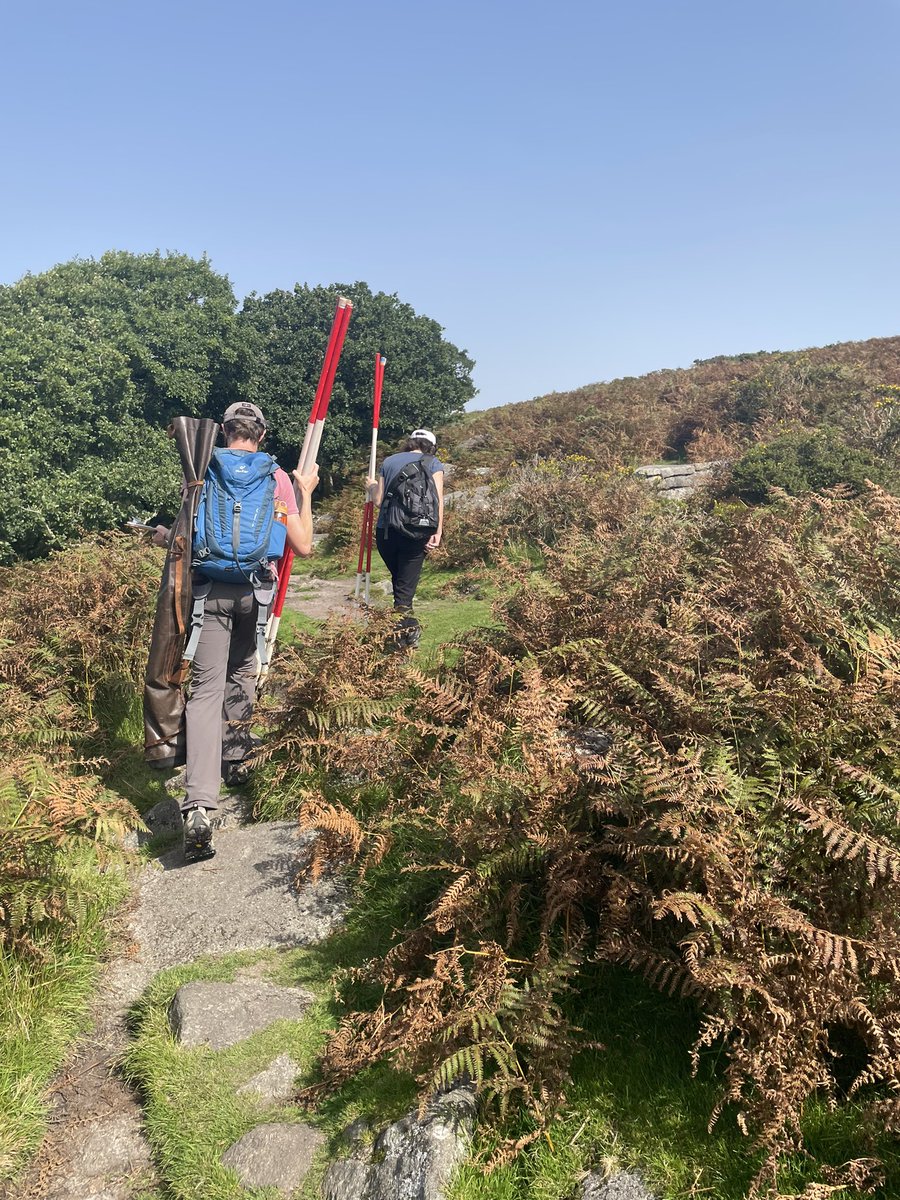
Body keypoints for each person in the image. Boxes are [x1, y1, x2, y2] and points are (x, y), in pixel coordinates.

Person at [152, 401, 318, 860]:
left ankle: (200, 805)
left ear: (223, 433)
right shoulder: (276, 477)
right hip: (255, 593)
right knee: (242, 670)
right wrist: (304, 492)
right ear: (261, 436)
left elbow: (185, 535)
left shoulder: (200, 472)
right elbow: (302, 547)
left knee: (205, 692)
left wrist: (161, 535)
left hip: (208, 593)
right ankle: (238, 757)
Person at [368, 428, 444, 649]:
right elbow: (438, 500)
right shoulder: (433, 463)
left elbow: (379, 500)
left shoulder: (389, 461)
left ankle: (404, 631)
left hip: (386, 532)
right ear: (431, 446)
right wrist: (437, 532)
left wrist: (372, 486)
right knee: (404, 590)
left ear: (410, 442)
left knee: (401, 584)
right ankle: (404, 637)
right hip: (417, 533)